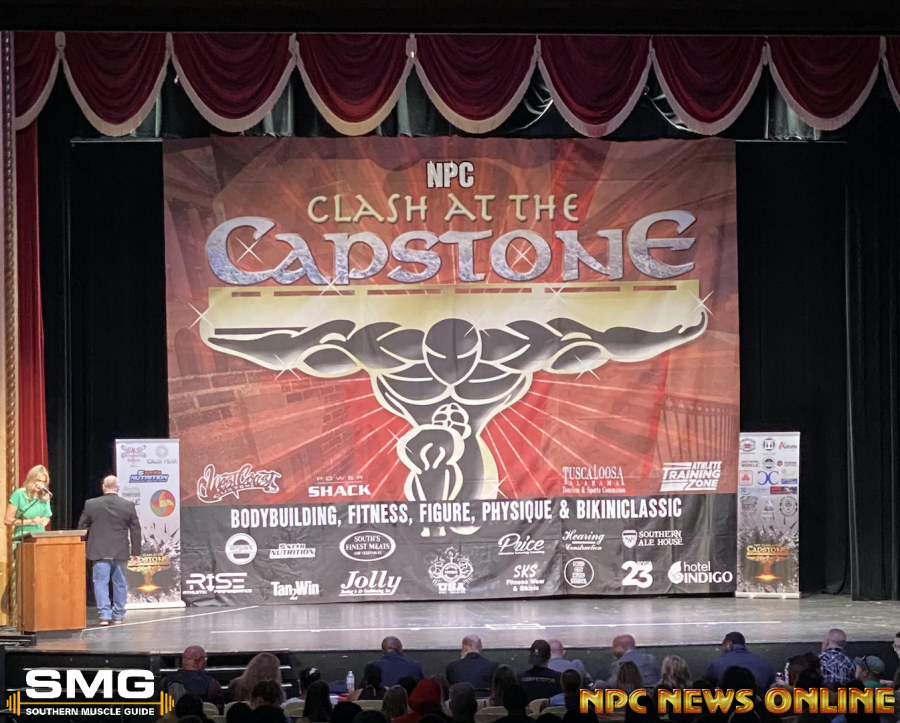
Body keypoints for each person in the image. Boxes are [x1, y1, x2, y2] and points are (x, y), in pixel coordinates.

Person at [77, 474, 141, 625]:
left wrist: (79, 545)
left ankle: (104, 616)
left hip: (99, 551)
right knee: (120, 583)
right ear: (117, 488)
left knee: (100, 583)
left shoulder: (91, 504)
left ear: (103, 487)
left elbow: (82, 528)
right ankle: (118, 615)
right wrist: (136, 552)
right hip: (120, 551)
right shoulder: (128, 505)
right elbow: (136, 530)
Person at [705, 632, 775, 695]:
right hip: (760, 702)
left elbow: (707, 685)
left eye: (723, 645)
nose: (722, 648)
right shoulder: (764, 663)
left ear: (728, 644)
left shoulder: (718, 663)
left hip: (728, 703)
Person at [161, 645, 225, 710]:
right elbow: (218, 710)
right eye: (205, 659)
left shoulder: (166, 682)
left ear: (183, 660)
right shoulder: (213, 684)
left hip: (173, 716)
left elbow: (161, 708)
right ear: (200, 661)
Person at [5, 464, 52, 541]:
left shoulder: (44, 496)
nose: (41, 485)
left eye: (43, 482)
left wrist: (44, 520)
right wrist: (31, 521)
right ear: (31, 479)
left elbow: (47, 516)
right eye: (38, 481)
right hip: (23, 539)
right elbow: (7, 520)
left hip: (40, 538)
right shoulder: (19, 494)